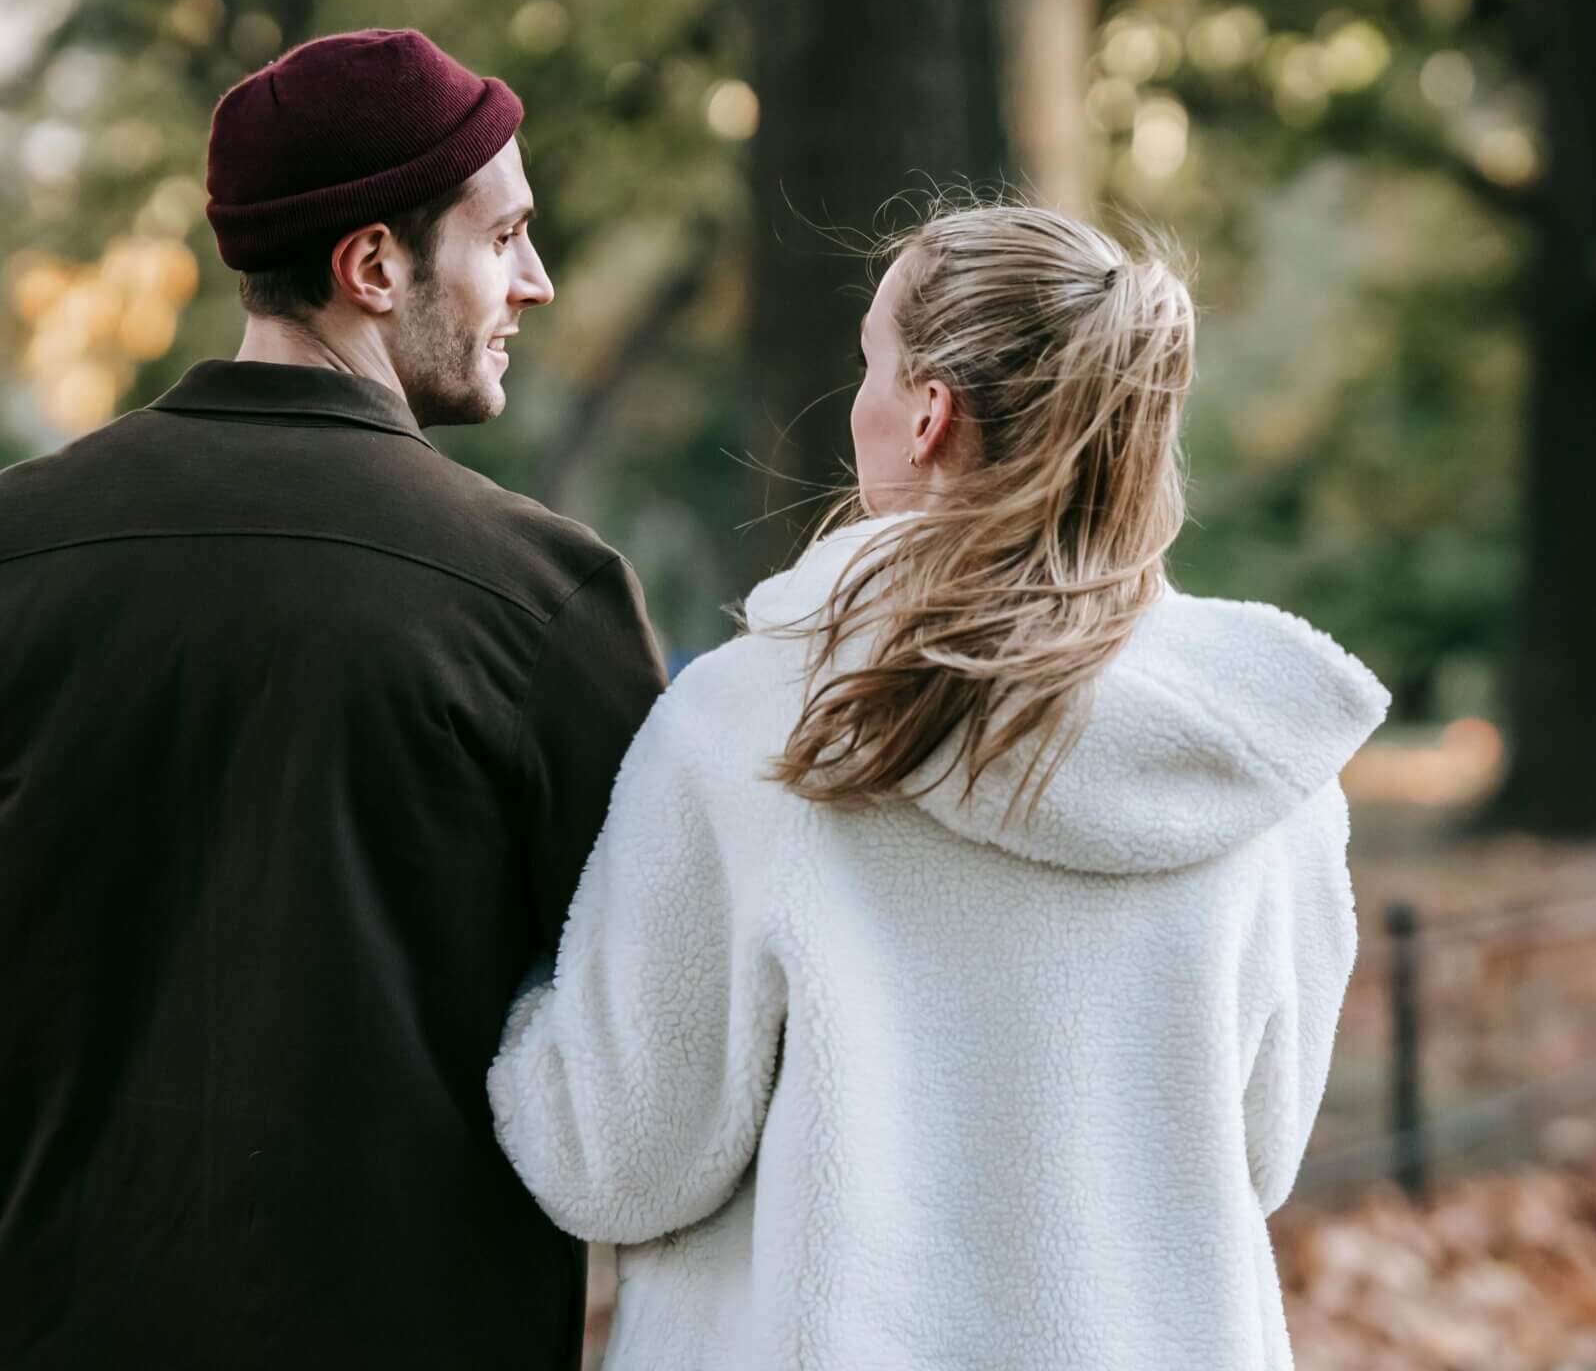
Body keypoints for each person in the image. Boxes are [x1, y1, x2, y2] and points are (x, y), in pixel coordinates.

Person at [0, 29, 664, 1369]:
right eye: (506, 239)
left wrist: (31, 1212)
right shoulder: (540, 600)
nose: (536, 284)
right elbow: (647, 1015)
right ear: (372, 265)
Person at [491, 203, 1387, 1369]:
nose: (854, 400)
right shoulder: (1261, 770)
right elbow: (1250, 1161)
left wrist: (519, 1018)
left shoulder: (756, 729)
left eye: (869, 361)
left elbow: (613, 1159)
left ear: (927, 414)